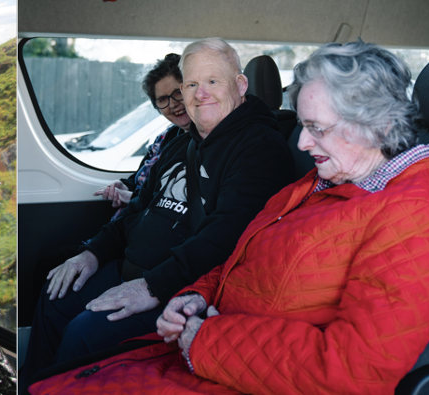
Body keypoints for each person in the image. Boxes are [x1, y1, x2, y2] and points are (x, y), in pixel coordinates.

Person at [30, 40, 429, 395]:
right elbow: (240, 257)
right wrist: (197, 295)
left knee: (84, 355)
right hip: (208, 332)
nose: (301, 141)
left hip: (222, 354)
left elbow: (354, 370)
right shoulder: (318, 181)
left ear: (377, 124)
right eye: (191, 84)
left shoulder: (413, 213)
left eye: (316, 128)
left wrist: (203, 336)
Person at [23, 38, 296, 380]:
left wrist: (151, 286)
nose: (200, 94)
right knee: (55, 298)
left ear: (240, 85)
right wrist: (91, 254)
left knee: (85, 330)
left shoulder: (259, 148)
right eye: (192, 84)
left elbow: (227, 235)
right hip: (132, 268)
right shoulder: (184, 140)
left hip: (177, 286)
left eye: (213, 81)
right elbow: (139, 207)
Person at [94, 53, 193, 218]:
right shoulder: (165, 137)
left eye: (177, 93)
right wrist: (125, 186)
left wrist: (132, 198)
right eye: (162, 99)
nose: (173, 104)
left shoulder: (202, 143)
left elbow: (171, 200)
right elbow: (143, 176)